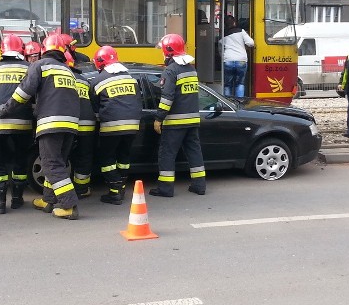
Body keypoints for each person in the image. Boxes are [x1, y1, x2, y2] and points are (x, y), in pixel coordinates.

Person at [0, 34, 81, 219]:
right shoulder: (67, 70)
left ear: (43, 50)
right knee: (58, 162)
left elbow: (24, 92)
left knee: (50, 164)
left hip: (51, 123)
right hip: (71, 124)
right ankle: (48, 200)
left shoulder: (40, 66)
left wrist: (5, 109)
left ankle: (69, 205)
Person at [0, 34, 34, 213]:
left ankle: (0, 203)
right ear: (21, 50)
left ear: (2, 50)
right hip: (22, 124)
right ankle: (17, 199)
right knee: (20, 161)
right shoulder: (29, 68)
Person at [149, 33, 206, 198]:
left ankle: (165, 189)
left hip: (175, 122)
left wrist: (159, 118)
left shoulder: (170, 71)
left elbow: (167, 98)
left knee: (167, 153)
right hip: (193, 119)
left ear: (168, 51)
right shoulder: (191, 69)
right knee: (194, 152)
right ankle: (199, 186)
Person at [90, 45, 142, 205]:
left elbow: (95, 110)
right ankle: (122, 187)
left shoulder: (97, 81)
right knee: (124, 157)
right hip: (133, 126)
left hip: (111, 126)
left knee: (107, 159)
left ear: (99, 62)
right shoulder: (131, 78)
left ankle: (114, 192)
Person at [67, 48, 97, 200]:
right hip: (87, 123)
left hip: (70, 123)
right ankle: (82, 189)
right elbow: (93, 102)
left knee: (63, 155)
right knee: (84, 156)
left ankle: (63, 188)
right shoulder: (84, 80)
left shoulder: (61, 77)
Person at [220, 14, 254, 98]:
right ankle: (239, 102)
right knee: (240, 83)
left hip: (228, 60)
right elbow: (251, 43)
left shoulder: (224, 34)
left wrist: (223, 57)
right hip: (241, 60)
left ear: (225, 24)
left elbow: (220, 46)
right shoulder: (241, 31)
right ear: (234, 22)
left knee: (228, 84)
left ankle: (228, 102)